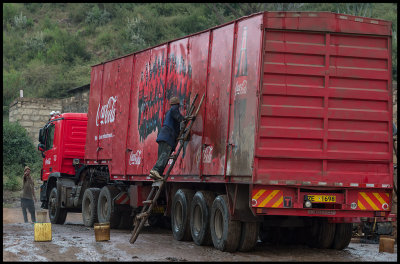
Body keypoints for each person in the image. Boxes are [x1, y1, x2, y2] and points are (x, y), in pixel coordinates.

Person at [149, 96, 187, 181]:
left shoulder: (169, 112)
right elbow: (178, 117)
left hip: (163, 135)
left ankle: (157, 174)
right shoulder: (174, 109)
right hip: (168, 136)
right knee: (165, 155)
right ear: (177, 104)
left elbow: (175, 125)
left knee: (162, 156)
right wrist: (184, 118)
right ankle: (155, 170)